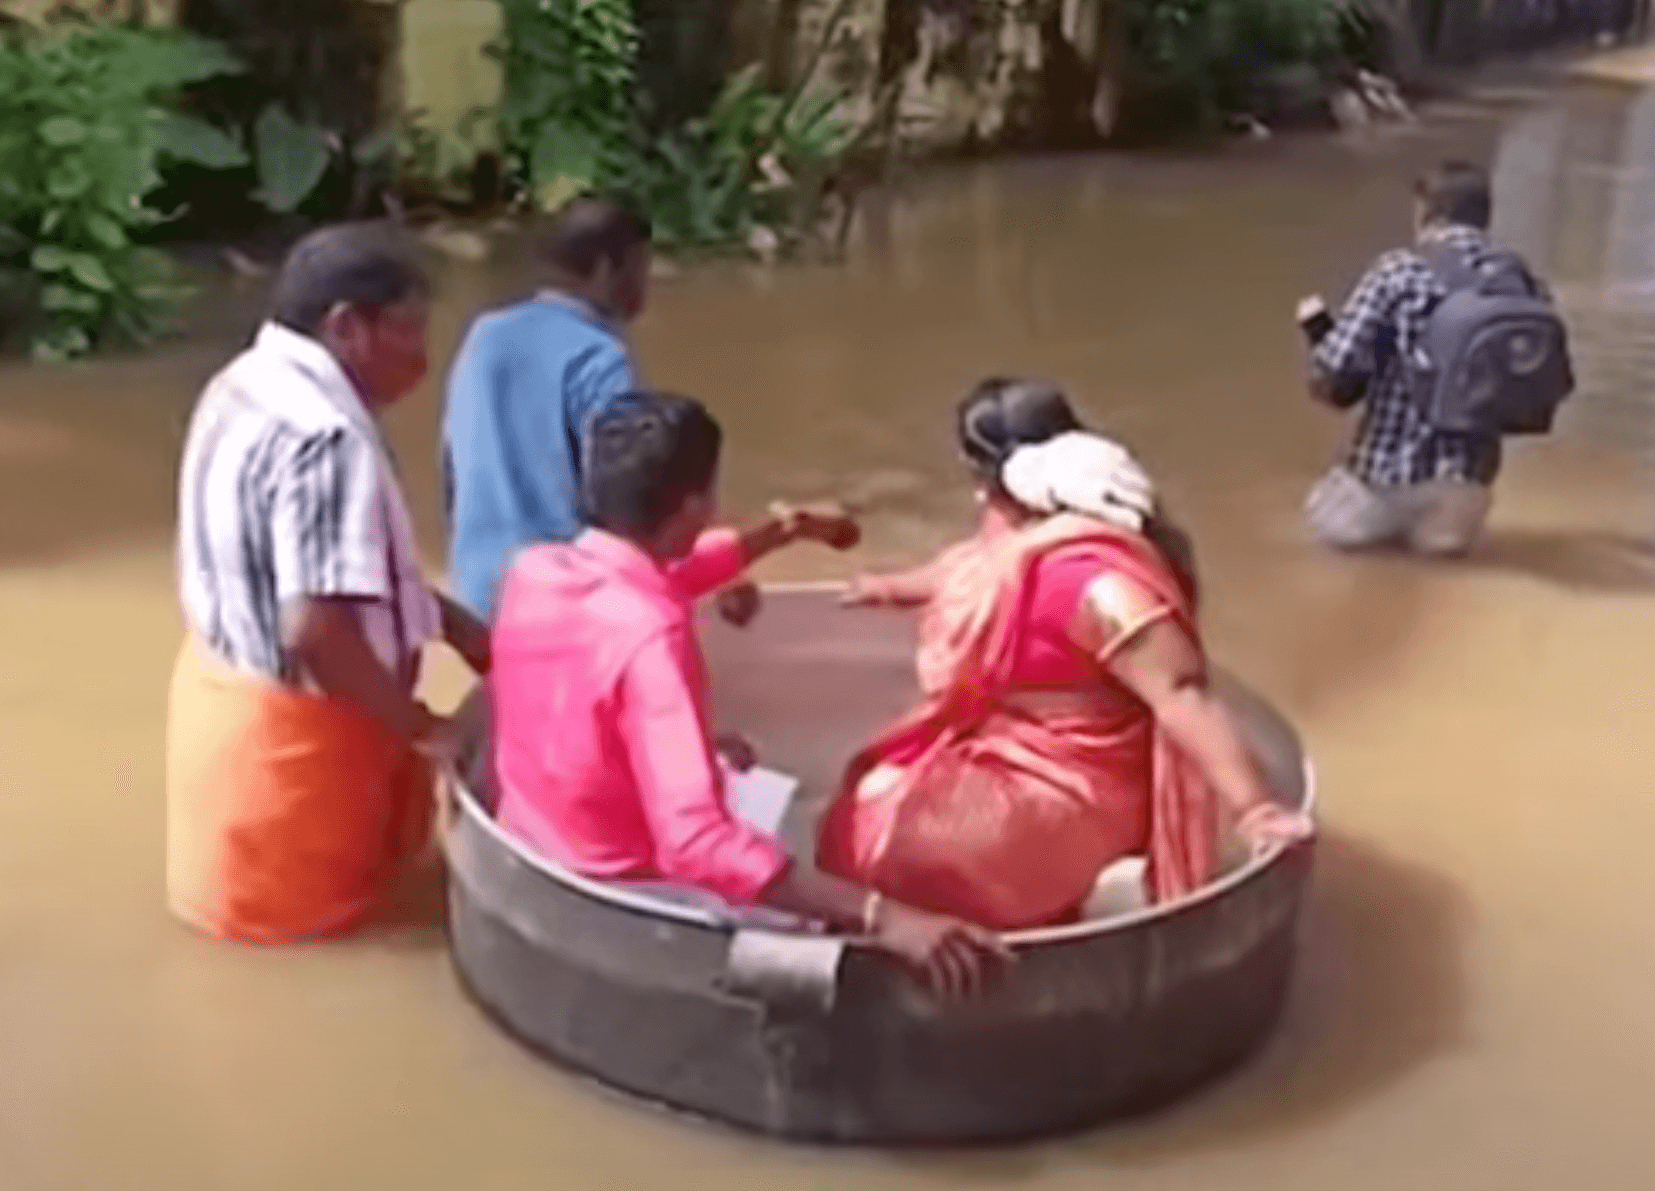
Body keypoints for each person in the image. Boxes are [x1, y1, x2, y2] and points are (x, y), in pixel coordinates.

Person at [488, 390, 1007, 995]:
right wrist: (886, 917)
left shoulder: (532, 574)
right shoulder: (650, 634)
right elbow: (696, 842)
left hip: (534, 856)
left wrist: (786, 531)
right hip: (630, 898)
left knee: (746, 783)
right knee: (839, 912)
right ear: (692, 505)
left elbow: (669, 575)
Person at [822, 379, 1312, 932]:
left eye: (977, 478)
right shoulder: (1023, 540)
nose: (978, 497)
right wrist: (888, 588)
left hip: (1086, 773)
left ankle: (1030, 913)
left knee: (910, 855)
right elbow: (963, 572)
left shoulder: (1098, 584)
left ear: (998, 480)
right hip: (1012, 744)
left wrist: (1256, 809)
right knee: (873, 800)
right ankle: (1013, 906)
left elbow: (1181, 696)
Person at [167, 222, 491, 943]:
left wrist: (459, 629)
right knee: (341, 949)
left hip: (224, 722)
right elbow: (315, 628)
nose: (423, 357)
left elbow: (328, 576)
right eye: (409, 331)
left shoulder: (241, 385)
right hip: (297, 758)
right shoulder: (327, 435)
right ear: (349, 327)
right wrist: (425, 729)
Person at [441, 196, 652, 620]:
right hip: (566, 595)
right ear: (607, 269)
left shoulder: (484, 336)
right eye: (641, 270)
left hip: (480, 590)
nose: (645, 289)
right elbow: (623, 488)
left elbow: (452, 470)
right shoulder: (599, 354)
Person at [1301, 160, 1505, 557]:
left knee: (1320, 537)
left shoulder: (1398, 272)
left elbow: (1334, 370)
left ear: (1426, 212)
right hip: (1468, 489)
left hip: (1386, 481)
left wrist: (1315, 332)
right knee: (1440, 574)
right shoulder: (1517, 280)